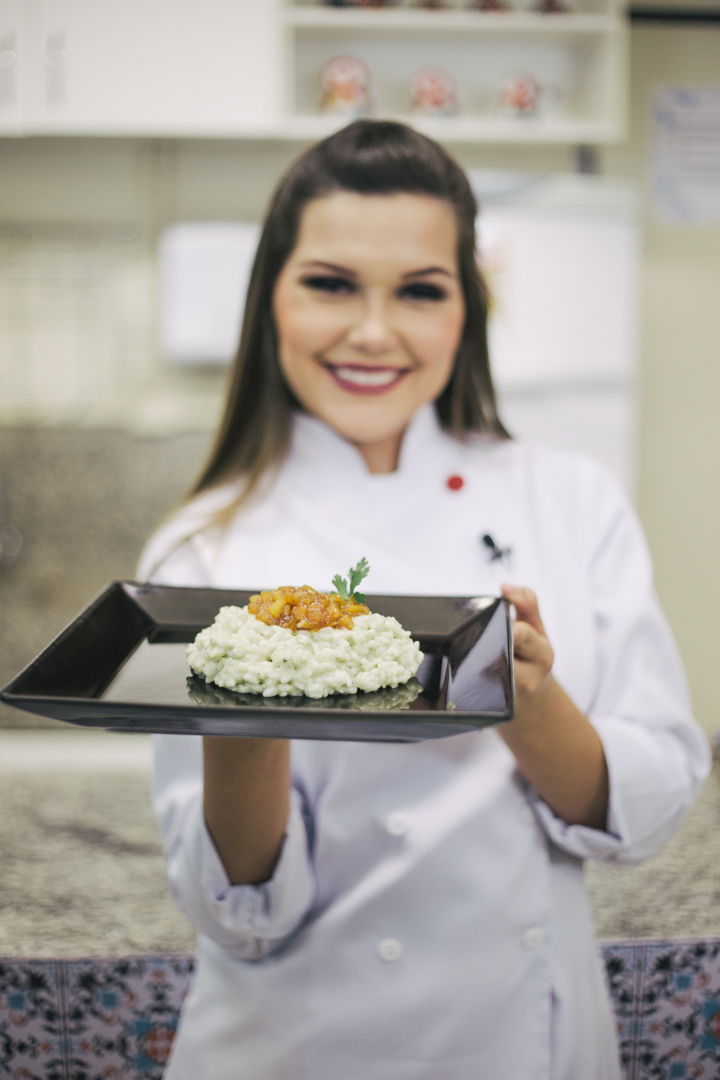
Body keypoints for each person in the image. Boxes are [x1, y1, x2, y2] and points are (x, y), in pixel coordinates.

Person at [139, 120, 709, 1080]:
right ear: (270, 298)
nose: (373, 331)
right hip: (295, 1043)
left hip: (521, 1038)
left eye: (419, 290)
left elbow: (645, 809)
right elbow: (239, 911)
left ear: (466, 311)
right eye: (330, 283)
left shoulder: (567, 501)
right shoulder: (202, 550)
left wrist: (527, 704)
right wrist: (241, 714)